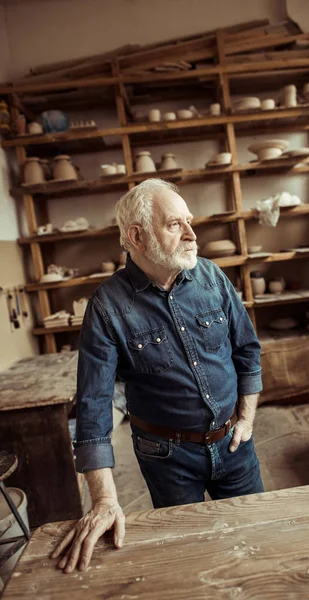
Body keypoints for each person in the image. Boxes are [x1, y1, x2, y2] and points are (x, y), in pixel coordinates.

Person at [51, 178, 264, 573]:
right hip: (168, 456)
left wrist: (247, 420)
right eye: (174, 224)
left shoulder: (212, 278)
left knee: (255, 538)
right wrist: (103, 500)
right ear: (136, 236)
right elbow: (95, 407)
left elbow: (247, 351)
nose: (191, 233)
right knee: (190, 557)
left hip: (235, 446)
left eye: (189, 221)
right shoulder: (106, 307)